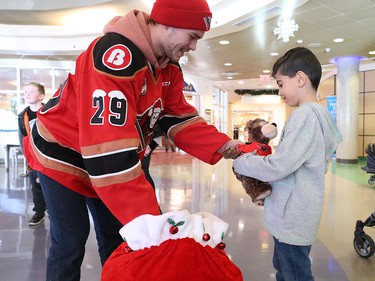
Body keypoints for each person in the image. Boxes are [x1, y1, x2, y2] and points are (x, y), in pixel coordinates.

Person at [22, 0, 241, 280]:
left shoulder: (168, 67)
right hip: (61, 156)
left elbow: (177, 117)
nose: (194, 46)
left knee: (120, 238)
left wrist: (226, 146)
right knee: (70, 241)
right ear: (168, 23)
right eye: (193, 36)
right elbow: (108, 151)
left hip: (102, 158)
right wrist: (152, 223)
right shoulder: (114, 55)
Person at [231, 47, 343, 281]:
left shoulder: (304, 116)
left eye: (281, 84)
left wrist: (243, 162)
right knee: (288, 269)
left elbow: (280, 165)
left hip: (292, 217)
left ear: (300, 79)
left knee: (293, 273)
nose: (280, 92)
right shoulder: (321, 115)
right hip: (300, 212)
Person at [18, 82, 47, 226]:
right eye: (25, 92)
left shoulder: (50, 111)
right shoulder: (22, 116)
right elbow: (22, 138)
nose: (27, 94)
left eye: (31, 91)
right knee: (35, 186)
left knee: (50, 186)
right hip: (33, 158)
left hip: (49, 157)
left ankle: (54, 211)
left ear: (41, 96)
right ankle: (39, 212)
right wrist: (28, 159)